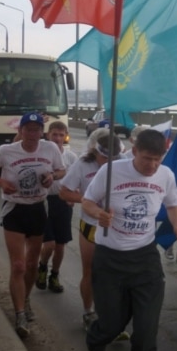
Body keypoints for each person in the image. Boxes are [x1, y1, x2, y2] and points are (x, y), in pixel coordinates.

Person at [81, 129, 177, 351]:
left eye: (157, 159)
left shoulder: (165, 175)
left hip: (145, 258)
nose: (152, 165)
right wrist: (99, 214)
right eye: (147, 158)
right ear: (134, 151)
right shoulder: (111, 171)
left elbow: (173, 204)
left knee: (147, 330)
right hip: (110, 258)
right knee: (112, 324)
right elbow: (87, 201)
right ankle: (96, 343)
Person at [0, 112, 65, 338]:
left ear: (42, 132)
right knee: (18, 265)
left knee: (31, 264)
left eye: (37, 129)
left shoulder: (50, 148)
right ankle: (19, 314)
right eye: (28, 129)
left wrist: (52, 176)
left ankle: (25, 299)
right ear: (21, 131)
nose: (32, 134)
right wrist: (1, 182)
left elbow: (61, 170)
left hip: (37, 209)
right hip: (14, 209)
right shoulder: (6, 151)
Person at [59, 129, 124, 330]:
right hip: (91, 226)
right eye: (104, 158)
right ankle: (88, 312)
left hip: (116, 227)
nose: (108, 163)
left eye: (113, 159)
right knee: (90, 271)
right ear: (96, 152)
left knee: (114, 274)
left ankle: (110, 315)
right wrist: (88, 200)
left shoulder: (123, 164)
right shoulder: (83, 164)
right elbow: (64, 192)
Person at [36, 121, 79, 294]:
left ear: (66, 137)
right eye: (54, 134)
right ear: (48, 135)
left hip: (63, 202)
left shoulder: (71, 157)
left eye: (61, 135)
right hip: (45, 201)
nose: (58, 138)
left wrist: (74, 196)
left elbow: (78, 181)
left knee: (60, 245)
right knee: (49, 244)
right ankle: (42, 267)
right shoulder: (41, 153)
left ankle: (54, 275)